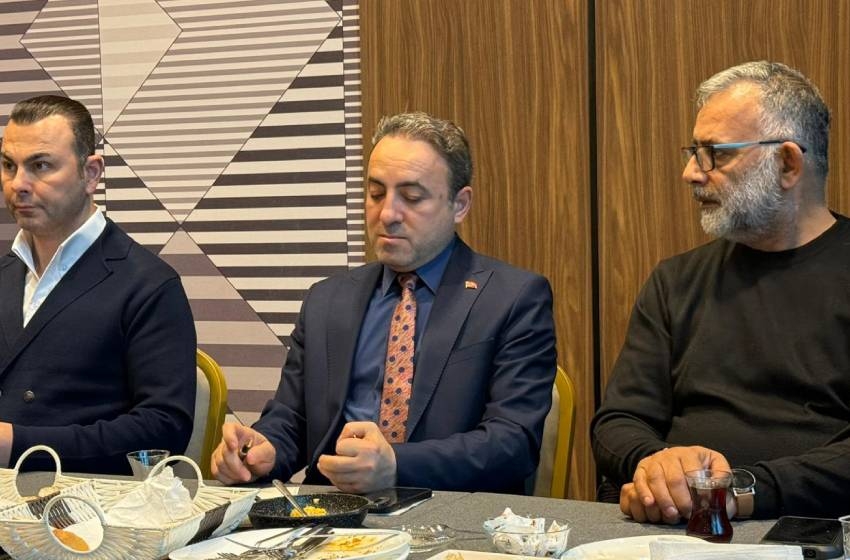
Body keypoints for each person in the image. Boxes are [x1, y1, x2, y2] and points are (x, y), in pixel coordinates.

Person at [212, 112, 557, 494]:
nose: (388, 214)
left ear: (460, 204)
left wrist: (396, 464)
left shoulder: (513, 298)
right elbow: (292, 419)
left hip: (451, 512)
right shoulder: (327, 299)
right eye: (376, 194)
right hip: (330, 514)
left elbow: (512, 443)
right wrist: (263, 449)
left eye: (412, 197)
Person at [591, 61, 850, 522]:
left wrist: (737, 492)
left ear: (788, 163)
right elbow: (619, 421)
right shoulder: (676, 280)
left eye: (715, 154)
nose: (691, 173)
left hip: (813, 530)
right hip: (674, 524)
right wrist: (658, 468)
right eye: (694, 152)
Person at [0, 95, 196, 474]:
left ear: (91, 173)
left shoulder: (149, 285)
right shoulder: (5, 274)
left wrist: (16, 444)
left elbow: (164, 429)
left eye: (40, 166)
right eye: (9, 165)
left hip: (86, 502)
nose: (18, 184)